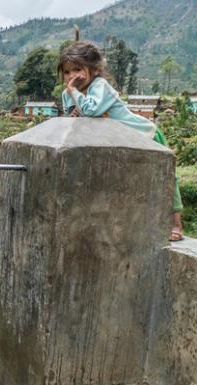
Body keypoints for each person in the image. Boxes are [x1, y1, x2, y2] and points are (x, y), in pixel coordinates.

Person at [59, 40, 185, 241]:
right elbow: (71, 124)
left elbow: (91, 110)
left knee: (167, 179)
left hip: (145, 136)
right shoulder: (68, 95)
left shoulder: (100, 86)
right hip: (120, 145)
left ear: (95, 70)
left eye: (77, 70)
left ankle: (175, 224)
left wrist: (74, 93)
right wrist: (72, 107)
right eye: (67, 72)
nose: (72, 76)